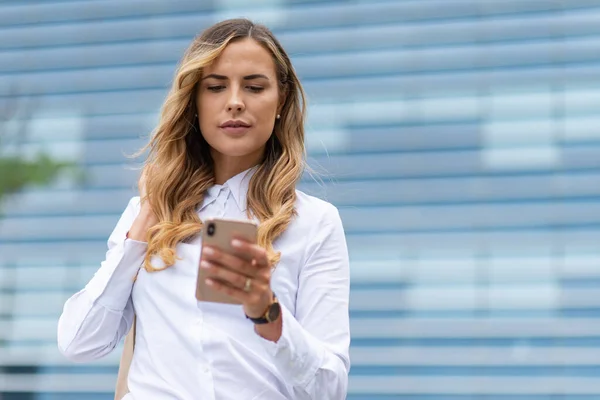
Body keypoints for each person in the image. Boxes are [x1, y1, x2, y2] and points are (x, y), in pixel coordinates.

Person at [57, 18, 351, 400]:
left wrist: (267, 311)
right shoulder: (146, 213)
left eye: (255, 86)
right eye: (215, 87)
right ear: (194, 103)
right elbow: (78, 342)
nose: (235, 101)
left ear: (280, 102)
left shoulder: (314, 223)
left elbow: (330, 389)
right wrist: (149, 215)